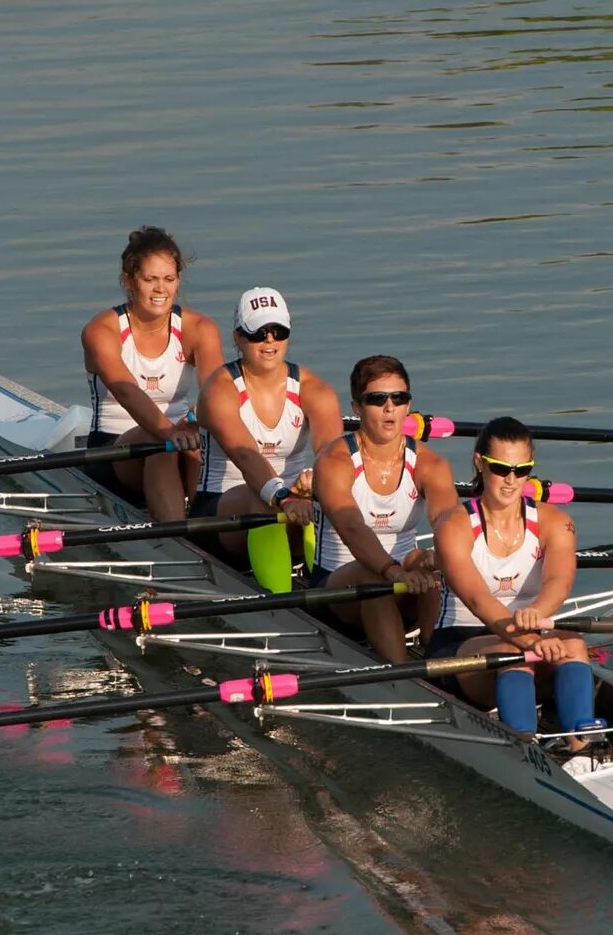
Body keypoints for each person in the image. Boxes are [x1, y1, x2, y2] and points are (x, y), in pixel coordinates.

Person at [423, 417, 598, 738]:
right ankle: (524, 745)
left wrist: (539, 613)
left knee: (573, 642)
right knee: (514, 653)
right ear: (479, 462)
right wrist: (529, 641)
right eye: (501, 469)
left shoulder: (555, 522)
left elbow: (559, 580)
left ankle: (582, 745)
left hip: (532, 635)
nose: (511, 480)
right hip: (460, 645)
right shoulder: (454, 526)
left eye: (522, 470)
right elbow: (478, 599)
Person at [79, 228, 223, 521]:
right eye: (150, 280)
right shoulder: (101, 331)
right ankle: (178, 541)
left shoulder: (200, 329)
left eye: (169, 279)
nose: (161, 289)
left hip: (179, 439)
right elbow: (126, 391)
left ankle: (210, 532)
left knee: (205, 434)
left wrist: (196, 419)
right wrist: (170, 432)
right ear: (128, 281)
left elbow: (216, 391)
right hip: (114, 454)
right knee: (160, 443)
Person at [307, 354, 444, 661]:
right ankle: (402, 675)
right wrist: (391, 570)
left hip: (403, 580)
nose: (389, 407)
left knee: (432, 566)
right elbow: (352, 527)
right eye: (377, 399)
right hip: (338, 593)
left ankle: (440, 663)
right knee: (373, 576)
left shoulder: (430, 464)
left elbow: (448, 517)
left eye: (398, 398)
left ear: (408, 405)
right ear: (356, 407)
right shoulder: (334, 462)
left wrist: (443, 553)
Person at [195, 286, 329, 536]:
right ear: (237, 337)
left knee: (331, 498)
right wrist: (282, 496)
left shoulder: (316, 391)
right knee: (262, 500)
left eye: (278, 331)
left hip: (292, 502)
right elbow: (246, 457)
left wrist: (315, 482)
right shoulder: (219, 389)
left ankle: (318, 568)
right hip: (221, 509)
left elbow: (332, 455)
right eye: (258, 333)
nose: (269, 340)